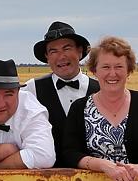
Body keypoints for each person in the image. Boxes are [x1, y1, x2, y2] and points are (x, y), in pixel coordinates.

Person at [62, 36, 138, 181]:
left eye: (119, 66)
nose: (112, 73)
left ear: (129, 70)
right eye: (106, 67)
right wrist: (104, 166)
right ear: (94, 71)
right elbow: (69, 153)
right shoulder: (79, 108)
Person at [26, 21, 100, 167]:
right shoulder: (30, 89)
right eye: (53, 51)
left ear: (80, 52)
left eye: (67, 48)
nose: (61, 57)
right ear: (47, 57)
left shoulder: (100, 89)